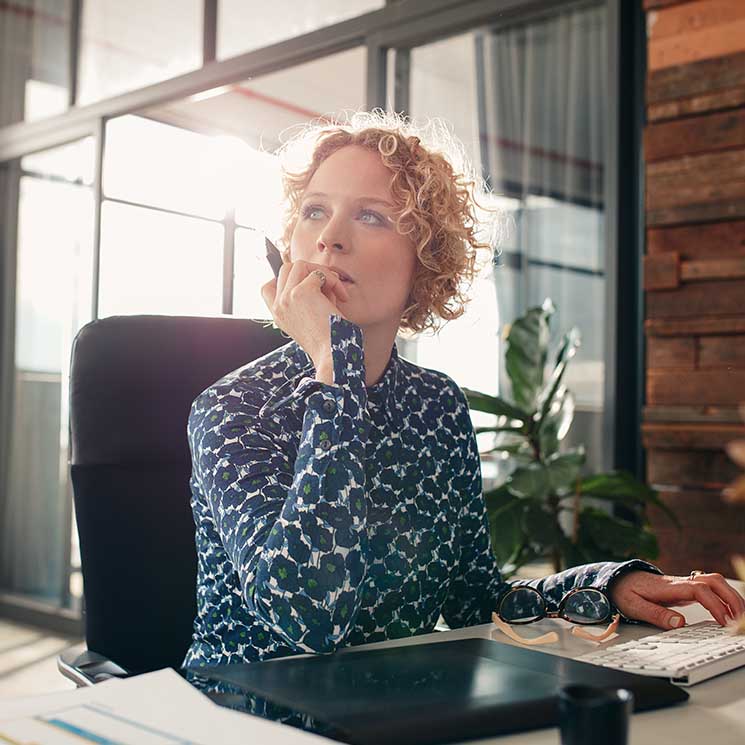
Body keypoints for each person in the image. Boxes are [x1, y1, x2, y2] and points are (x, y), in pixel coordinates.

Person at [182, 110, 745, 676]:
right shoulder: (236, 409)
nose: (330, 237)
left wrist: (609, 585)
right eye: (315, 211)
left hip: (402, 710)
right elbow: (309, 616)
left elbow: (473, 598)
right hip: (247, 714)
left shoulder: (436, 405)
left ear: (425, 263)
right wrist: (333, 367)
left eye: (372, 216)